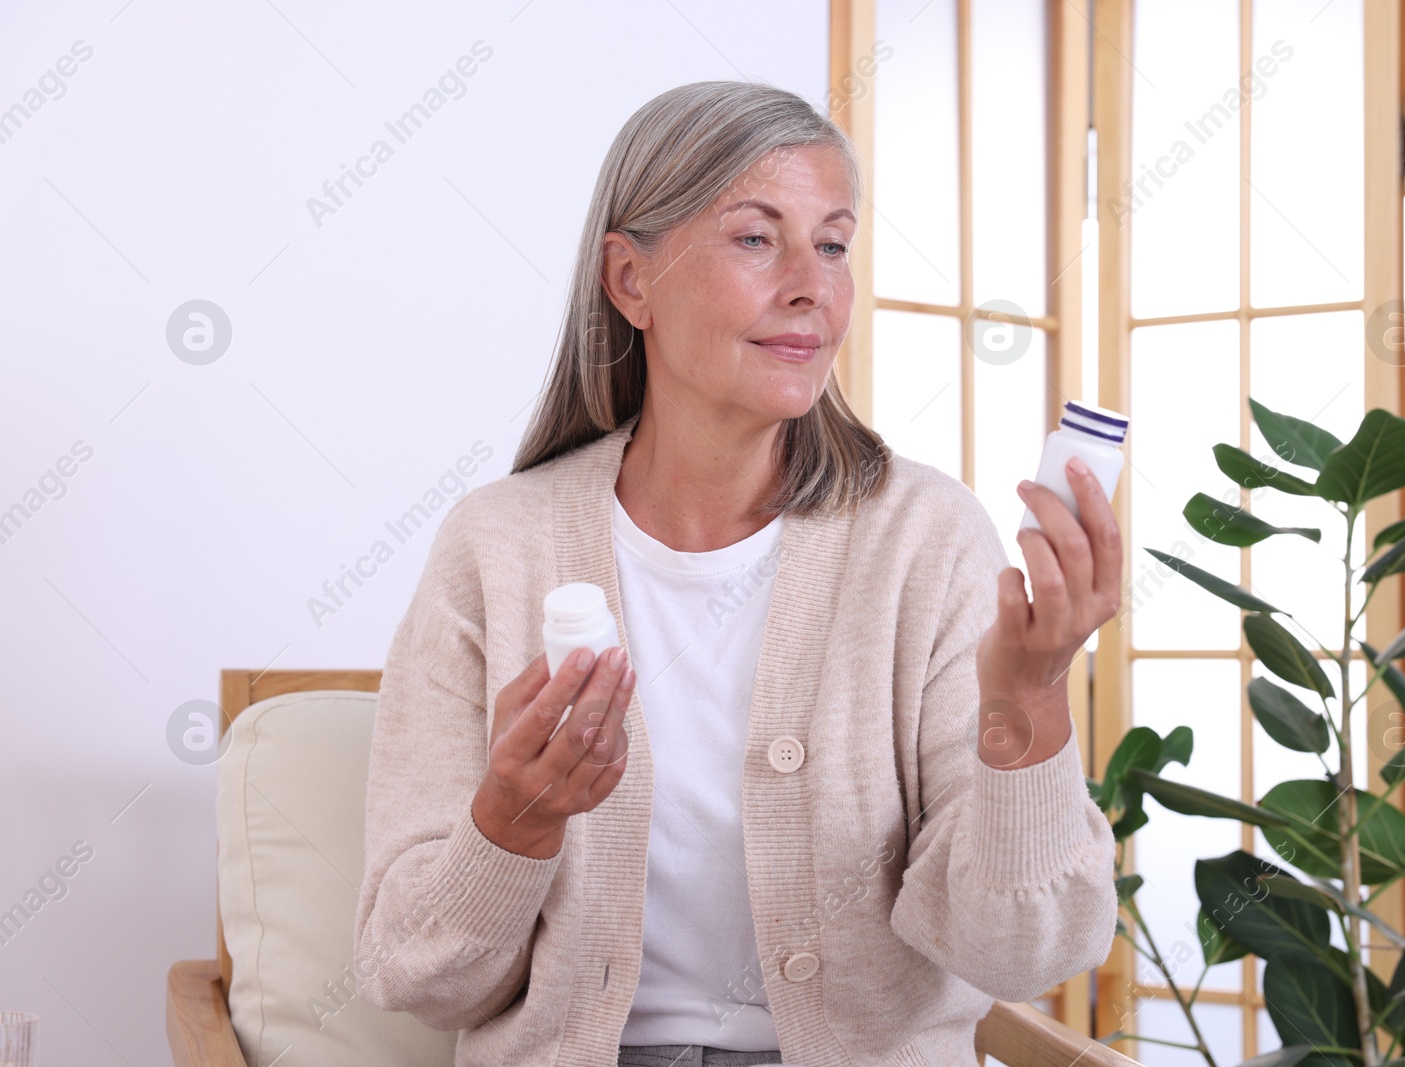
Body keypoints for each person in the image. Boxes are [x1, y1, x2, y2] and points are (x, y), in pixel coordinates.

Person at [353, 79, 1120, 1067]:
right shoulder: (494, 546)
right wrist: (515, 820)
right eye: (757, 238)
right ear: (631, 281)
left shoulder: (927, 539)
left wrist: (1028, 709)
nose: (812, 284)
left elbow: (1020, 951)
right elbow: (411, 976)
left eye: (833, 243)